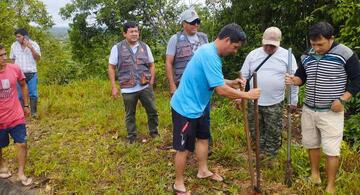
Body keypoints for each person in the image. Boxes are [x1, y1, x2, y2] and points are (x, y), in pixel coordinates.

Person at [171, 23, 261, 194]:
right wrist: (247, 95)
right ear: (227, 40)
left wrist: (231, 82)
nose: (235, 51)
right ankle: (178, 184)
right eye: (235, 47)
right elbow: (220, 90)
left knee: (203, 138)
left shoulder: (210, 52)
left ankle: (203, 171)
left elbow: (215, 79)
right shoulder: (209, 54)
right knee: (183, 148)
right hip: (185, 108)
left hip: (200, 106)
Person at [285, 22, 360, 194]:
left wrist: (343, 99)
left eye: (321, 44)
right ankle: (315, 176)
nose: (317, 48)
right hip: (309, 109)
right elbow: (301, 77)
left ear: (331, 38)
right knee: (312, 144)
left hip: (331, 112)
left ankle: (331, 185)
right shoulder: (307, 55)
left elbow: (357, 79)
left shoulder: (345, 54)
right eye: (313, 44)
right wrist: (293, 80)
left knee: (332, 150)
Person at [240, 27, 299, 160]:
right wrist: (240, 96)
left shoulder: (287, 56)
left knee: (273, 131)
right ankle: (259, 155)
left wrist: (293, 101)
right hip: (253, 100)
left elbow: (294, 80)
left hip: (275, 102)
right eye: (267, 44)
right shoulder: (253, 55)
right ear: (262, 41)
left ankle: (271, 158)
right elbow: (243, 76)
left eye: (272, 46)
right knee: (255, 129)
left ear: (279, 42)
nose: (269, 48)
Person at [165, 8, 213, 155]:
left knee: (204, 114)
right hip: (183, 85)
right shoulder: (175, 39)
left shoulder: (204, 38)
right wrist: (172, 85)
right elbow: (168, 63)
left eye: (197, 22)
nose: (195, 25)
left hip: (203, 86)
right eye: (192, 22)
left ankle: (204, 144)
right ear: (183, 23)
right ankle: (185, 146)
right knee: (185, 117)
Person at [108, 21, 159, 144]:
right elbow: (111, 67)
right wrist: (114, 87)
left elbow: (151, 65)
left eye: (136, 31)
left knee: (152, 111)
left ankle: (154, 133)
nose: (134, 34)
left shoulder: (145, 47)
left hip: (144, 86)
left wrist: (151, 82)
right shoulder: (117, 48)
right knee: (130, 114)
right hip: (127, 88)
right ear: (124, 34)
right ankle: (132, 137)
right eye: (131, 31)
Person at [0, 44, 32, 186]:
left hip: (16, 115)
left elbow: (24, 85)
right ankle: (2, 164)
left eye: (4, 54)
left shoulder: (14, 68)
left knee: (22, 144)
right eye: (0, 56)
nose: (4, 58)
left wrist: (26, 105)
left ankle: (21, 173)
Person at [10, 28, 41, 117]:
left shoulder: (34, 44)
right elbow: (12, 59)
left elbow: (38, 58)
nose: (17, 38)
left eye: (19, 36)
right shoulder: (14, 45)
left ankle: (34, 113)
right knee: (20, 95)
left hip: (31, 73)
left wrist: (31, 48)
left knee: (33, 94)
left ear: (25, 37)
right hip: (19, 74)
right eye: (16, 37)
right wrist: (12, 71)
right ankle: (22, 113)